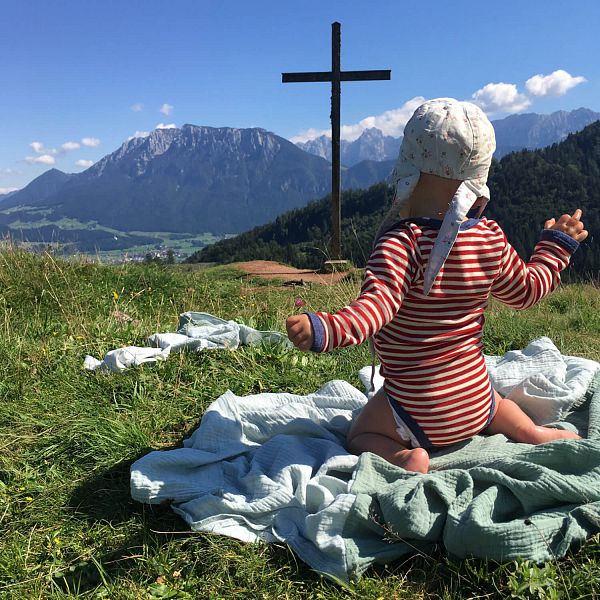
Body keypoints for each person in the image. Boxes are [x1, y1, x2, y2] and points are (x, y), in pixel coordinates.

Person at [286, 98, 588, 474]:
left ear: (408, 171)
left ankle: (406, 457)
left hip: (420, 408)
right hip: (474, 399)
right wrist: (555, 248)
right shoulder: (490, 238)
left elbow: (376, 307)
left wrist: (326, 328)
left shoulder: (402, 242)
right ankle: (531, 432)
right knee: (499, 402)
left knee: (360, 432)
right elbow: (527, 291)